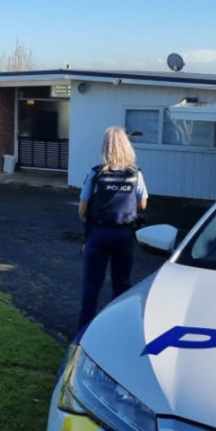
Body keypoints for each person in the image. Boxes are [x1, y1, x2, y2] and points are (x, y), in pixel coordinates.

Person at [76, 126, 148, 332]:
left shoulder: (95, 173)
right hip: (124, 234)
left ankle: (84, 331)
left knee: (92, 285)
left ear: (105, 148)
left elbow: (82, 208)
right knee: (122, 284)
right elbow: (143, 203)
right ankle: (118, 329)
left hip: (98, 233)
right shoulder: (135, 174)